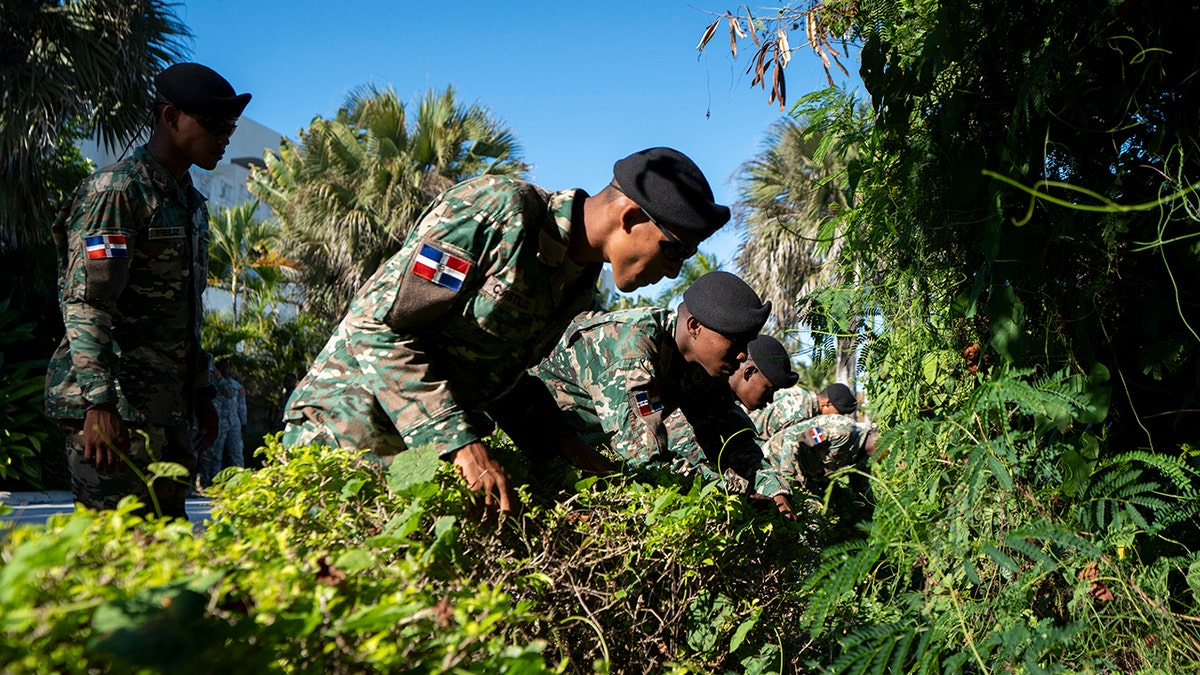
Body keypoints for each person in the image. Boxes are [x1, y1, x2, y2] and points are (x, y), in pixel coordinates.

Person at [282, 147, 731, 513]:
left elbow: (502, 380)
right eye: (674, 250)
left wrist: (567, 447)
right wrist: (461, 445)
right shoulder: (500, 212)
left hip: (419, 459)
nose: (674, 272)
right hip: (346, 432)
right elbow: (375, 325)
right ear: (631, 218)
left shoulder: (576, 282)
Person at [44, 62, 250, 518]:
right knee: (115, 559)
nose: (225, 137)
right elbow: (87, 301)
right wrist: (99, 403)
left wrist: (202, 393)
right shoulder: (118, 191)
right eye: (214, 124)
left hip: (165, 410)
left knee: (166, 560)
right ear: (171, 116)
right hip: (114, 411)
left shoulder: (190, 203)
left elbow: (185, 310)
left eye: (230, 127)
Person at [531, 272, 795, 514]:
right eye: (735, 342)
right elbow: (646, 460)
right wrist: (733, 494)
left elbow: (732, 437)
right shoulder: (632, 347)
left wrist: (774, 490)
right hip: (534, 438)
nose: (742, 355)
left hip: (584, 447)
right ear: (694, 326)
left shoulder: (703, 365)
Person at [661, 334, 798, 489]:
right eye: (769, 390)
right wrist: (737, 490)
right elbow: (687, 459)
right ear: (749, 373)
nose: (770, 400)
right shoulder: (696, 387)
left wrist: (776, 491)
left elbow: (746, 454)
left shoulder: (727, 406)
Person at [752, 383, 878, 493]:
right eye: (840, 412)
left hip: (791, 463)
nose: (841, 417)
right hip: (759, 448)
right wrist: (788, 483)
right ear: (827, 403)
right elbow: (786, 440)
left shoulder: (816, 415)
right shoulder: (797, 409)